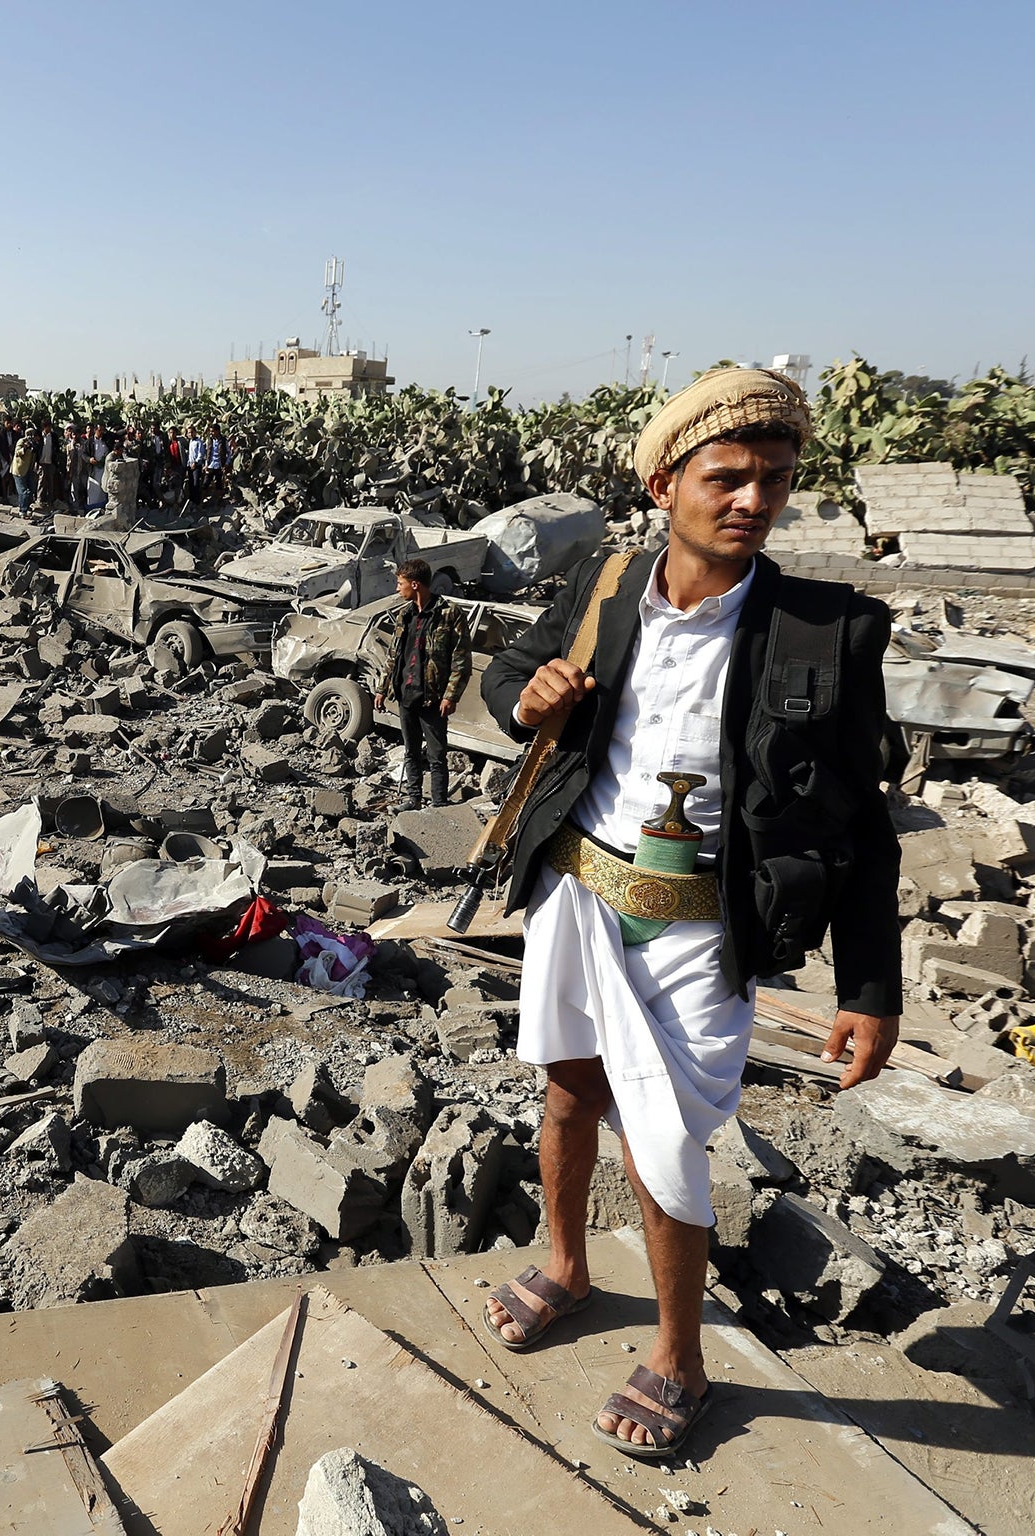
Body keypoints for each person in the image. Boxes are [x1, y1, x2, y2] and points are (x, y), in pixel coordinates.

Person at [474, 369, 901, 1461]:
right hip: (581, 888)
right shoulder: (605, 581)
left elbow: (861, 822)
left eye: (773, 480)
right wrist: (525, 701)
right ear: (665, 483)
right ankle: (567, 1266)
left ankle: (679, 1355)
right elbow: (511, 674)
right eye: (726, 477)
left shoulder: (825, 630)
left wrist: (869, 990)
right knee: (567, 1090)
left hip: (702, 925)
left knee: (664, 1140)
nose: (752, 500)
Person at [373, 559, 470, 808]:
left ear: (415, 584)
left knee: (437, 756)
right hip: (406, 694)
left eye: (400, 584)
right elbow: (394, 656)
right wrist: (382, 689)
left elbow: (461, 660)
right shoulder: (404, 615)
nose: (397, 589)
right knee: (411, 750)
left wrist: (451, 696)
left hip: (433, 699)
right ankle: (413, 798)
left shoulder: (449, 613)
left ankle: (439, 803)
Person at [10, 428, 36, 514]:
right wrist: (25, 448)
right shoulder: (21, 441)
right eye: (29, 433)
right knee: (23, 491)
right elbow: (17, 453)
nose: (30, 435)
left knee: (30, 490)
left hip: (29, 469)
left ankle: (28, 507)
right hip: (19, 470)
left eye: (32, 433)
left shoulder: (34, 443)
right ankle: (22, 509)